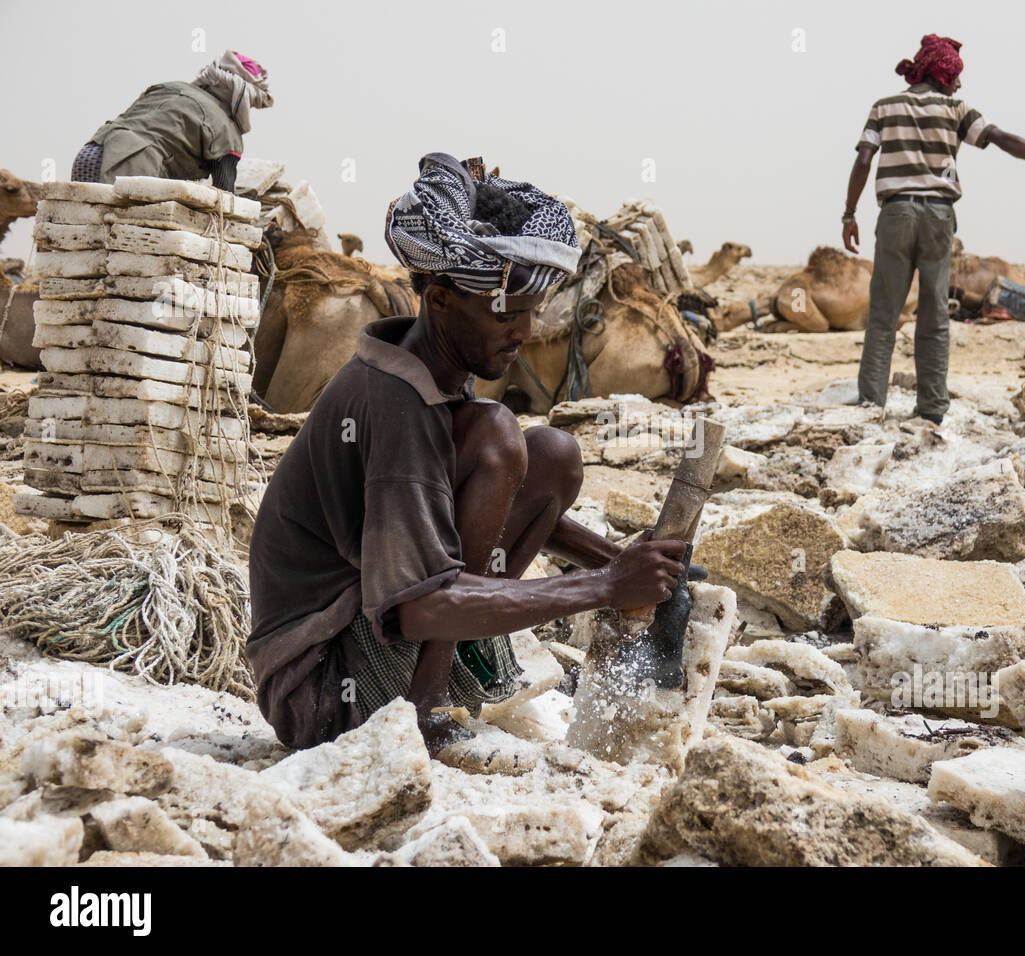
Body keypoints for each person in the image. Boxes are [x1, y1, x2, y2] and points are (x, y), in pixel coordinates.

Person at [247, 153, 690, 754]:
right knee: (502, 437)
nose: (525, 331)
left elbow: (487, 499)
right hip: (322, 687)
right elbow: (421, 608)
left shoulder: (426, 371)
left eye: (531, 312)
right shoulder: (395, 406)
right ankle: (425, 712)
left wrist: (620, 558)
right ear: (442, 301)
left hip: (364, 630)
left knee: (552, 453)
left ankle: (437, 688)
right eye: (507, 311)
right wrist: (607, 586)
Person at [842, 34, 1025, 424]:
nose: (960, 84)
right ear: (943, 74)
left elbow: (864, 157)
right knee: (933, 315)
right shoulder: (956, 108)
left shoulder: (884, 106)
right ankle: (931, 409)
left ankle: (869, 407)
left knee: (883, 315)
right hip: (937, 217)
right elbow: (1002, 140)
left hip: (894, 215)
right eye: (956, 76)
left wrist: (849, 213)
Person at [70, 50, 272, 192]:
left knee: (82, 233)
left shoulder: (171, 87)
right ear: (242, 97)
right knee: (123, 242)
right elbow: (224, 195)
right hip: (131, 168)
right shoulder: (226, 129)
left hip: (92, 152)